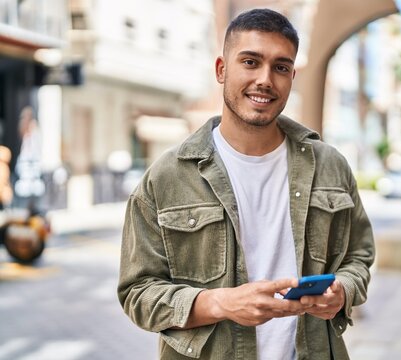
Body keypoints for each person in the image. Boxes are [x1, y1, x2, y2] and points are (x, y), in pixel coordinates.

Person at [118, 8, 374, 360]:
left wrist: (342, 291)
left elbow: (359, 256)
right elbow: (137, 292)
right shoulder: (166, 178)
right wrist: (219, 303)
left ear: (292, 76)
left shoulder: (330, 166)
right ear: (222, 69)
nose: (265, 79)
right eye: (251, 62)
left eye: (281, 67)